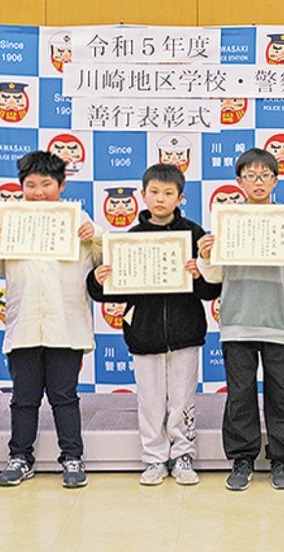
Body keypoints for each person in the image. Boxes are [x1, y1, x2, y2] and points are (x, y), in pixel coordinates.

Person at [86, 164, 221, 486]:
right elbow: (108, 292)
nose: (161, 199)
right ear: (143, 195)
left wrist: (200, 273)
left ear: (180, 197)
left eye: (168, 193)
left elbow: (211, 291)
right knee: (148, 401)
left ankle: (183, 454)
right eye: (154, 192)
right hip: (143, 334)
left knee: (183, 399)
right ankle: (154, 458)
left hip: (185, 333)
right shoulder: (129, 240)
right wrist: (98, 280)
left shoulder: (194, 234)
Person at [197, 148, 284, 491]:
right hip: (238, 320)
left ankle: (280, 458)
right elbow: (213, 275)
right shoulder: (227, 222)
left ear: (275, 180)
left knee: (283, 394)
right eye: (250, 176)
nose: (258, 182)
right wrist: (206, 255)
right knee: (240, 395)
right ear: (239, 182)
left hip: (281, 321)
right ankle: (242, 459)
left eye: (265, 175)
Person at [0, 150, 101, 489]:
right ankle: (20, 457)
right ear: (20, 187)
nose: (37, 192)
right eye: (30, 185)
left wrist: (94, 234)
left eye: (46, 184)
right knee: (23, 398)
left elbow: (107, 262)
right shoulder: (7, 223)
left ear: (61, 186)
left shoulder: (81, 221)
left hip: (66, 327)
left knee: (65, 396)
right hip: (24, 327)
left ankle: (73, 458)